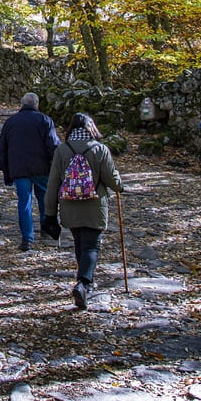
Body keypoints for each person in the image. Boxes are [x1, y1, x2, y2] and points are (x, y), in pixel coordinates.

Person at [42, 112, 123, 309]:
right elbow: (111, 179)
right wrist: (120, 185)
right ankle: (84, 283)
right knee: (92, 246)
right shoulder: (100, 149)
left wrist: (50, 213)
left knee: (80, 243)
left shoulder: (62, 150)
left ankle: (85, 282)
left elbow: (53, 183)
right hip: (95, 205)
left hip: (69, 206)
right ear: (91, 127)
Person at [0, 92, 60, 252]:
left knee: (24, 202)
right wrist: (56, 166)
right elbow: (53, 145)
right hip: (42, 169)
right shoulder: (45, 120)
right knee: (45, 200)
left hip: (20, 169)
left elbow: (1, 149)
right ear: (37, 105)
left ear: (22, 104)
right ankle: (46, 232)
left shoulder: (11, 122)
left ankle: (27, 239)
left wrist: (6, 170)